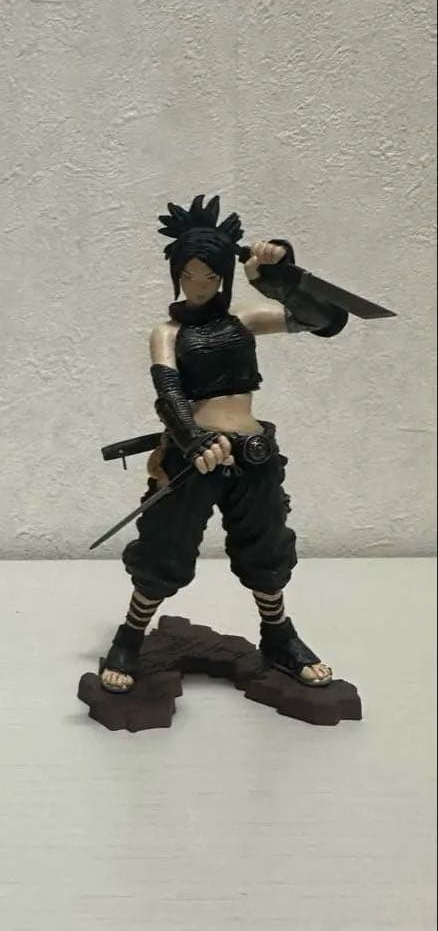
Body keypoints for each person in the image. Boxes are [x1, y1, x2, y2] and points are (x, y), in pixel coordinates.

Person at [100, 194, 348, 693]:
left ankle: (278, 636)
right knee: (164, 548)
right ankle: (130, 634)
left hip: (253, 454)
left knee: (267, 548)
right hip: (196, 458)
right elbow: (169, 391)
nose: (198, 285)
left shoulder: (245, 319)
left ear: (224, 277)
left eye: (209, 276)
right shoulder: (167, 332)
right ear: (176, 275)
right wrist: (192, 438)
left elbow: (328, 320)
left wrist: (278, 279)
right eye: (188, 275)